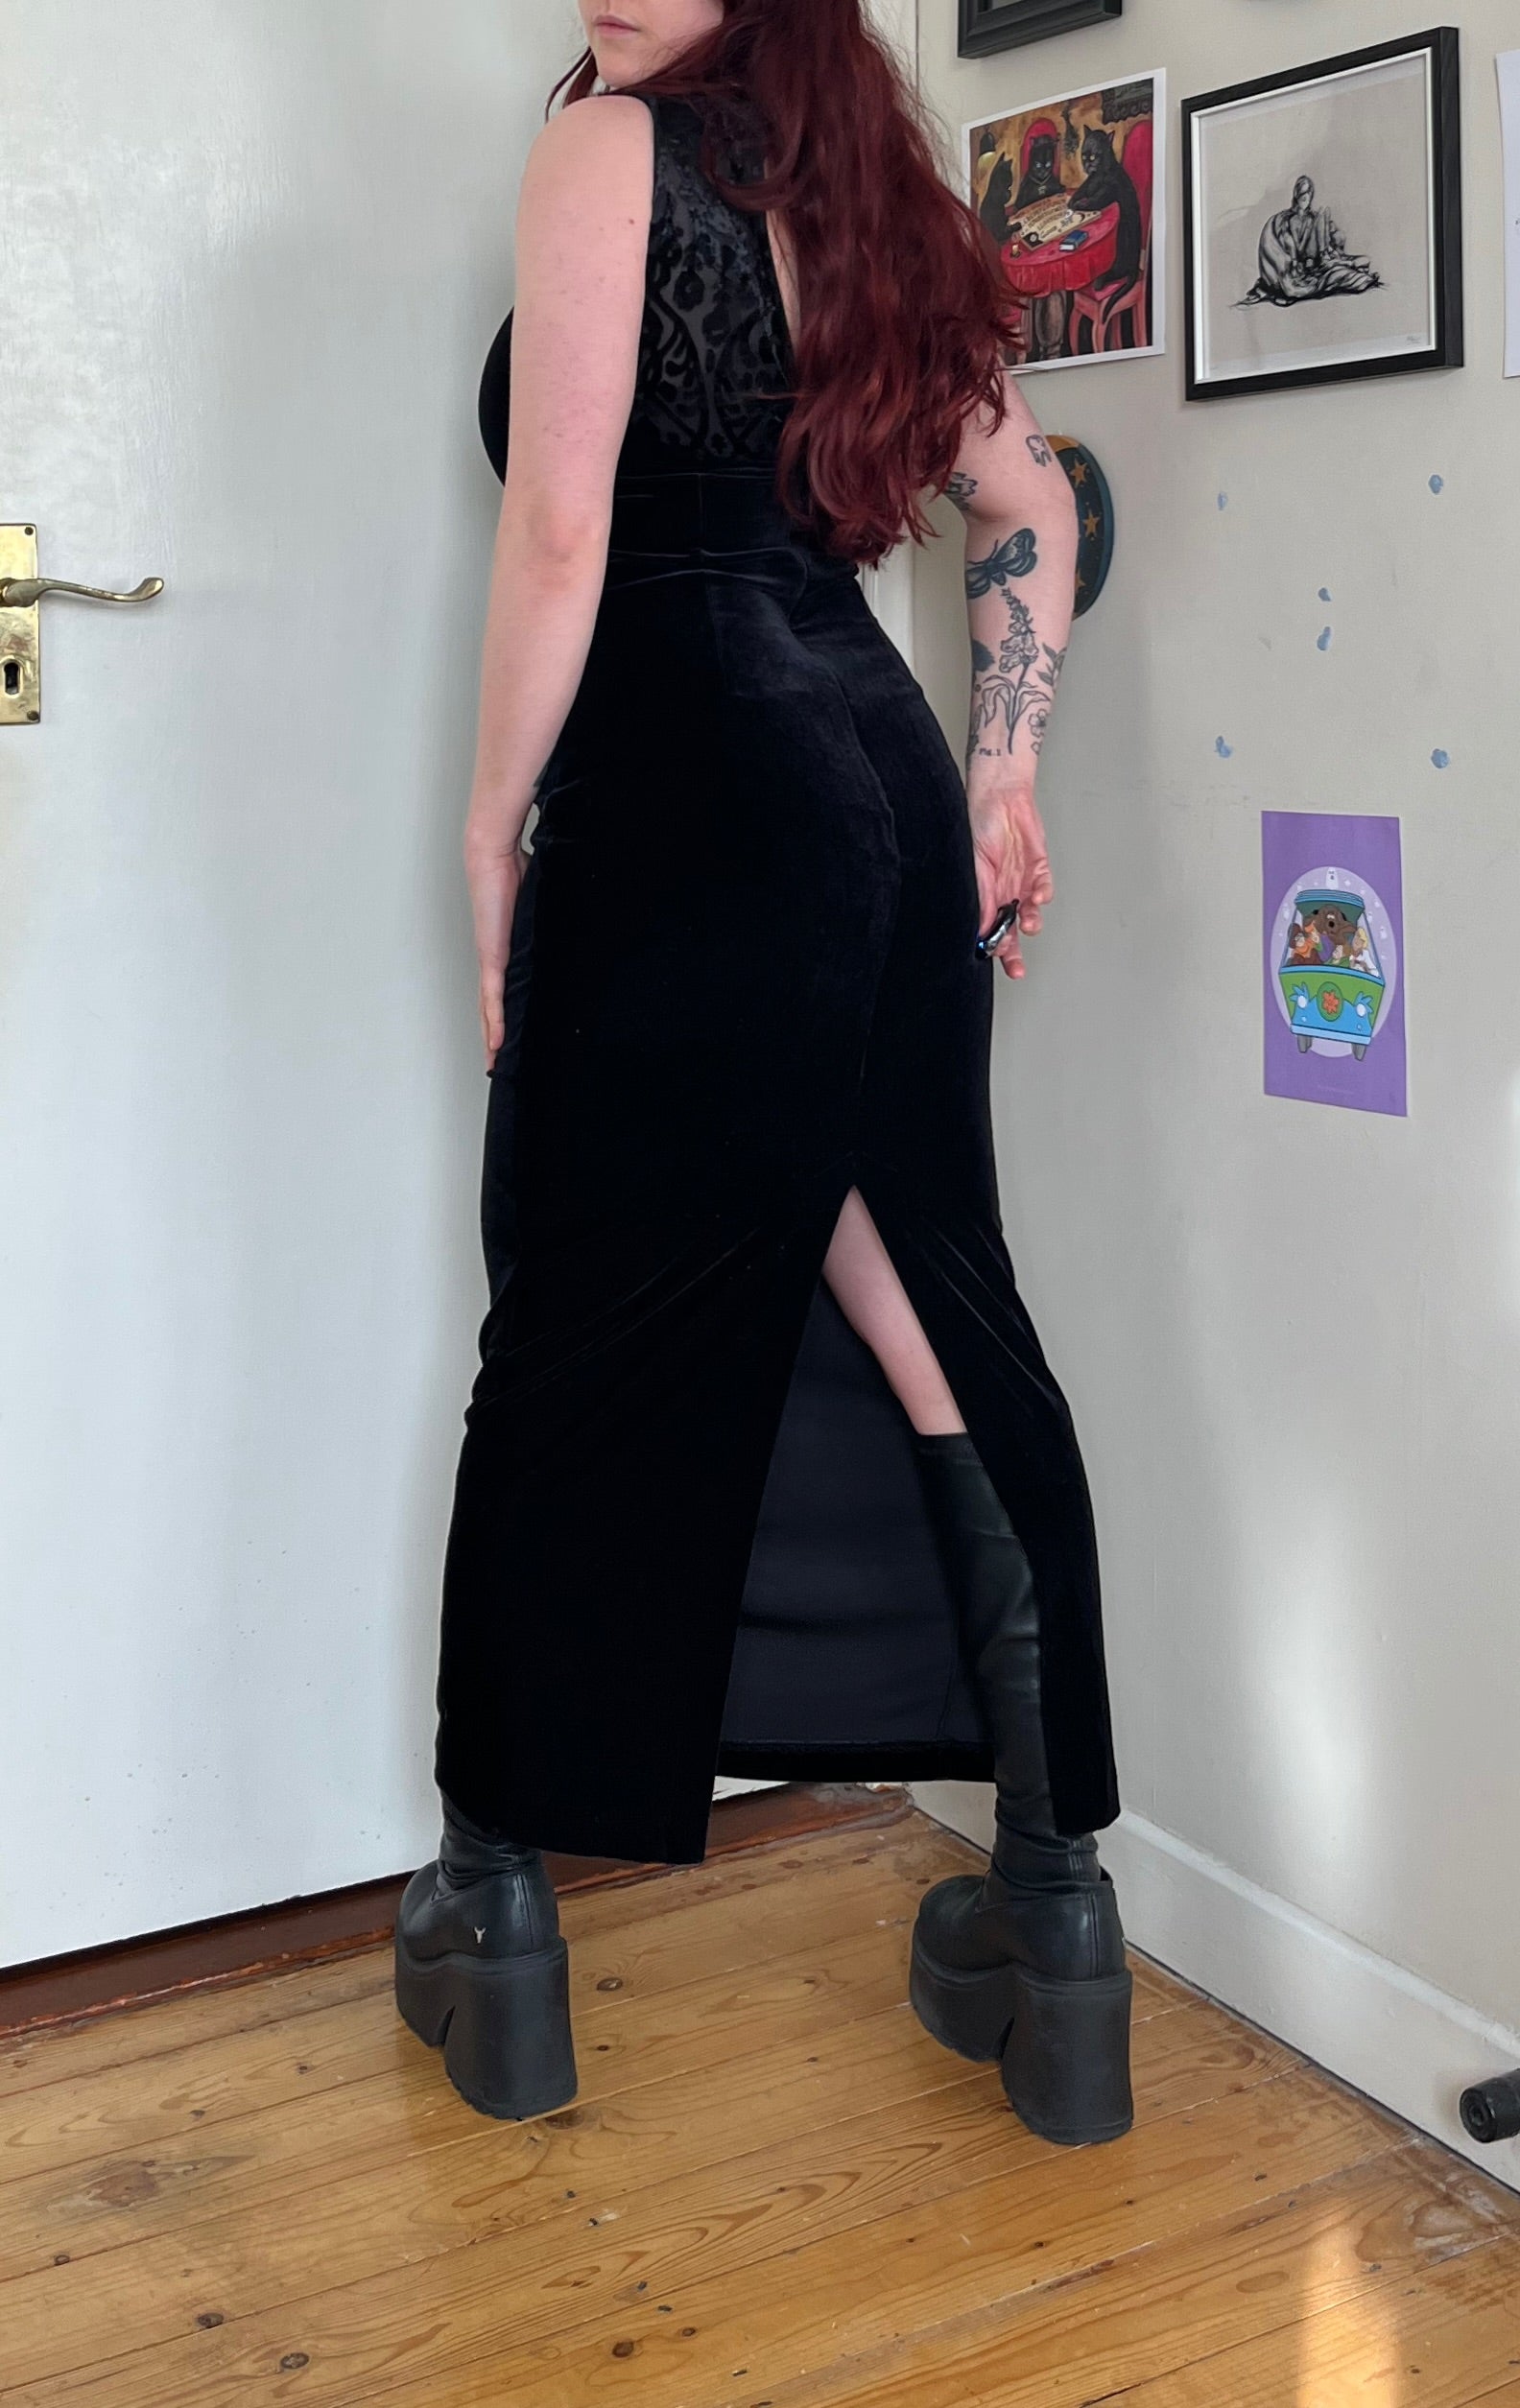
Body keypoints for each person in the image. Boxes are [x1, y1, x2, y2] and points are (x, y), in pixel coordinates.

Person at [393, 0, 1131, 2152]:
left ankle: (494, 1910)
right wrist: (997, 774)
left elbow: (563, 536)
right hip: (872, 784)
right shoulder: (876, 192)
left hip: (690, 791)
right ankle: (1058, 1923)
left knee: (571, 1332)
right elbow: (1028, 497)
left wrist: (486, 830)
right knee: (942, 1321)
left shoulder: (605, 154)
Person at [1243, 174, 1381, 308]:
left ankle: (1348, 271)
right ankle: (1353, 275)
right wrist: (1297, 262)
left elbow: (1331, 239)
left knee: (1361, 261)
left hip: (1318, 263)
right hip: (1300, 270)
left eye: (1308, 194)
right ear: (1296, 196)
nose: (1305, 198)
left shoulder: (1314, 218)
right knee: (1337, 276)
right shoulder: (1287, 220)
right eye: (1302, 194)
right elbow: (1289, 247)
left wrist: (1331, 249)